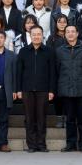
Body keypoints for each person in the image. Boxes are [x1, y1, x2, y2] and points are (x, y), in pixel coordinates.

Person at [14, 25, 56, 153]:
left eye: (39, 34)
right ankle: (31, 145)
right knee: (29, 118)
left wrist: (51, 90)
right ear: (30, 36)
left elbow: (52, 72)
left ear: (42, 36)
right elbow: (19, 72)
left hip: (43, 90)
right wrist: (18, 89)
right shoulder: (23, 51)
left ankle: (41, 144)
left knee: (41, 118)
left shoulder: (49, 51)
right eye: (34, 34)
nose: (36, 37)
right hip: (27, 90)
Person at [56, 25, 82, 152]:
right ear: (65, 34)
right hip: (66, 90)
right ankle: (70, 144)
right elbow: (57, 70)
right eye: (68, 32)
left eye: (73, 31)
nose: (70, 34)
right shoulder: (60, 51)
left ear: (77, 33)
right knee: (70, 119)